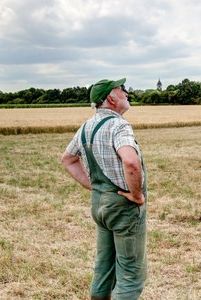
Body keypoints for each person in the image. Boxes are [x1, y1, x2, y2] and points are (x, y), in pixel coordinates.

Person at [61, 78, 147, 300]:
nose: (126, 93)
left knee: (104, 266)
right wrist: (137, 195)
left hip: (100, 205)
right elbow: (130, 162)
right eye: (122, 90)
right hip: (122, 206)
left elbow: (68, 159)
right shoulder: (119, 125)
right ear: (111, 97)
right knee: (130, 273)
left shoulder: (85, 127)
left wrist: (94, 187)